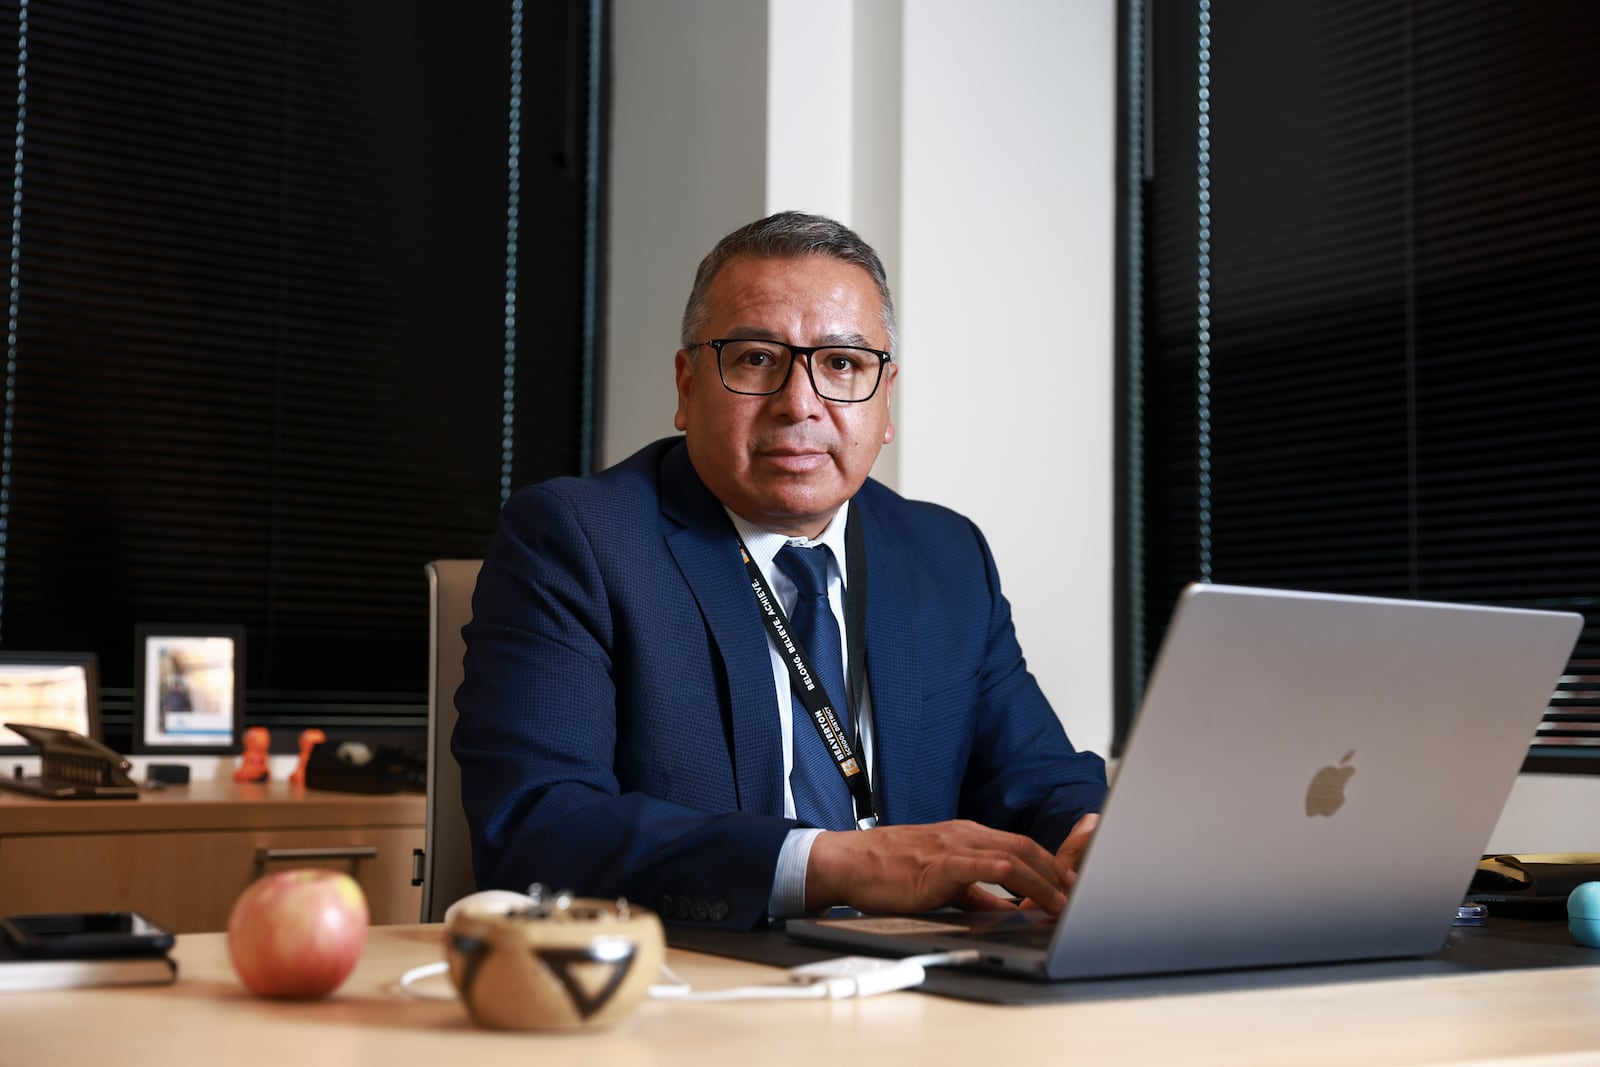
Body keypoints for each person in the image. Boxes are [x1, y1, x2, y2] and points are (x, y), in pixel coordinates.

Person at [453, 211, 1107, 930]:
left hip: (913, 986)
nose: (801, 403)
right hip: (693, 990)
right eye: (758, 358)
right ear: (687, 384)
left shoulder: (945, 557)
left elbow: (1038, 777)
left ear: (885, 399)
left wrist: (1089, 835)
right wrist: (829, 863)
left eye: (843, 364)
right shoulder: (577, 540)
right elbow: (537, 828)